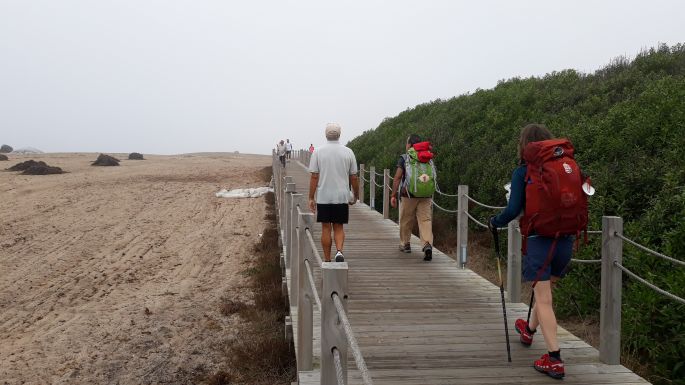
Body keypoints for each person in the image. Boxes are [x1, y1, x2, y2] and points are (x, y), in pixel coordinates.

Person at [489, 123, 574, 380]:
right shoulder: (565, 165)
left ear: (524, 145)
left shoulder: (523, 171)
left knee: (544, 298)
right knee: (545, 293)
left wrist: (496, 221)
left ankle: (554, 359)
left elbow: (514, 209)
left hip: (540, 241)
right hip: (566, 240)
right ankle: (528, 329)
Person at [308, 123, 359, 262]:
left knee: (326, 227)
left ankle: (327, 259)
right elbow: (354, 177)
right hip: (341, 196)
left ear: (326, 134)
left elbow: (314, 176)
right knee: (338, 226)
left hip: (324, 196)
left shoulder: (317, 152)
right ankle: (339, 252)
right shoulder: (348, 152)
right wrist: (356, 195)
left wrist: (311, 197)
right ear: (339, 134)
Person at [390, 134, 434, 261]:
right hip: (426, 195)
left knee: (406, 219)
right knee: (425, 220)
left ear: (409, 145)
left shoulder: (405, 158)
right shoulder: (427, 157)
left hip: (408, 195)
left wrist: (393, 195)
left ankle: (405, 244)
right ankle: (427, 245)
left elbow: (397, 177)